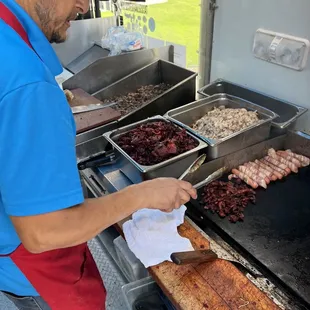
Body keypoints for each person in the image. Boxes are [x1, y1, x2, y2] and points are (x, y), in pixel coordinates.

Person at [0, 0, 197, 309]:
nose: (82, 5)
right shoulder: (27, 83)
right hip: (38, 275)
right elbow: (45, 232)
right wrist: (141, 194)